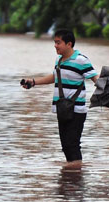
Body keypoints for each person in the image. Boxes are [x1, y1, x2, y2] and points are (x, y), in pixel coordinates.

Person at [22, 29, 98, 165]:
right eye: (55, 42)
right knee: (65, 146)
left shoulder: (81, 60)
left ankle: (75, 177)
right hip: (62, 109)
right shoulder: (59, 60)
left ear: (69, 44)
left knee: (72, 144)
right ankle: (72, 176)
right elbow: (55, 77)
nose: (55, 46)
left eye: (58, 43)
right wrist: (33, 82)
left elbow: (96, 79)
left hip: (77, 110)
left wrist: (108, 90)